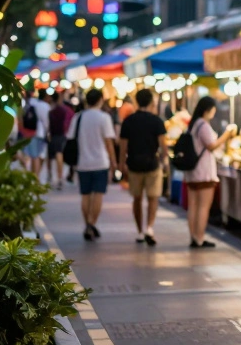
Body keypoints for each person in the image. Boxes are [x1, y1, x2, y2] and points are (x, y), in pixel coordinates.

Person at [184, 97, 236, 249]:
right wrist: (226, 135)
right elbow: (212, 146)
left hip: (192, 172)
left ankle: (194, 236)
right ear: (208, 109)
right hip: (204, 172)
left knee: (193, 205)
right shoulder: (203, 125)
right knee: (203, 206)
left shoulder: (193, 124)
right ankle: (199, 237)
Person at [119, 88, 167, 246]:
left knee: (137, 198)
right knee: (153, 197)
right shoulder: (157, 121)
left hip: (133, 164)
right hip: (152, 164)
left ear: (136, 102)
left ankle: (140, 231)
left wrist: (121, 165)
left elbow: (123, 146)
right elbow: (163, 146)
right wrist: (164, 160)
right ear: (152, 102)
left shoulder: (128, 121)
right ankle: (149, 228)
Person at [68, 88, 116, 241]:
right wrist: (114, 163)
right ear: (100, 100)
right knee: (98, 195)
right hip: (100, 162)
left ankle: (87, 224)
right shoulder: (104, 118)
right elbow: (109, 142)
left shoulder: (78, 117)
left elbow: (70, 137)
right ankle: (91, 223)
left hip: (82, 162)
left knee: (85, 195)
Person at [20, 89, 52, 182]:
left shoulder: (35, 104)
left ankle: (33, 175)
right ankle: (35, 177)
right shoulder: (46, 106)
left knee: (34, 155)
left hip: (32, 132)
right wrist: (48, 132)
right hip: (40, 133)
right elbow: (46, 121)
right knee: (36, 156)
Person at [47, 92, 73, 190]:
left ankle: (51, 175)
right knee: (59, 154)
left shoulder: (50, 110)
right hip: (61, 134)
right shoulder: (63, 110)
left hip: (53, 135)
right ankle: (59, 176)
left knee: (51, 156)